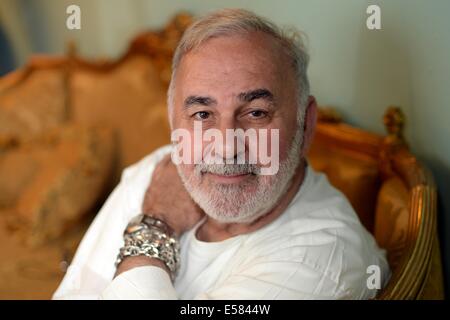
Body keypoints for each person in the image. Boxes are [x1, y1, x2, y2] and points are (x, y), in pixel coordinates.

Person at [53, 8, 390, 300]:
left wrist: (156, 225)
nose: (227, 147)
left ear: (306, 124)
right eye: (202, 114)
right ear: (173, 121)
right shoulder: (160, 169)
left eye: (256, 113)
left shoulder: (321, 260)